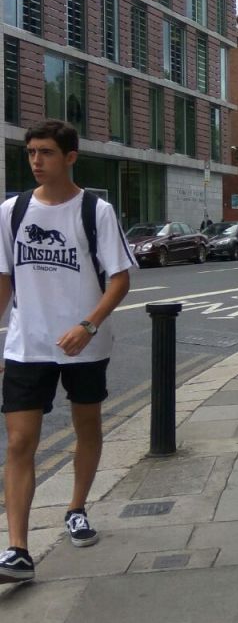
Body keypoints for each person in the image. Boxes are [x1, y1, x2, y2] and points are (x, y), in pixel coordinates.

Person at [0, 120, 137, 583]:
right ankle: (18, 549)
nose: (36, 161)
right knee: (20, 441)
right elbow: (4, 281)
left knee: (87, 426)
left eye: (46, 152)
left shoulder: (96, 211)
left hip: (85, 344)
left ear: (70, 157)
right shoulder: (12, 211)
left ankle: (76, 508)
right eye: (31, 152)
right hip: (28, 344)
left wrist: (88, 324)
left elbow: (119, 279)